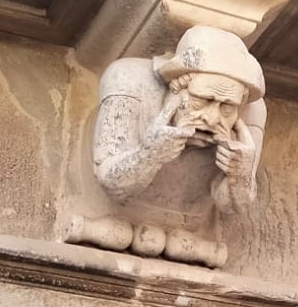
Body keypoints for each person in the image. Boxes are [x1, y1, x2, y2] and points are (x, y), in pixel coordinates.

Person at [66, 25, 266, 268]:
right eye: (202, 101)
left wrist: (240, 176)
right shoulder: (128, 80)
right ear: (177, 87)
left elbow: (230, 205)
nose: (212, 118)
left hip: (188, 228)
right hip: (114, 214)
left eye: (226, 107)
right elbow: (111, 180)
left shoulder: (252, 111)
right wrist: (149, 155)